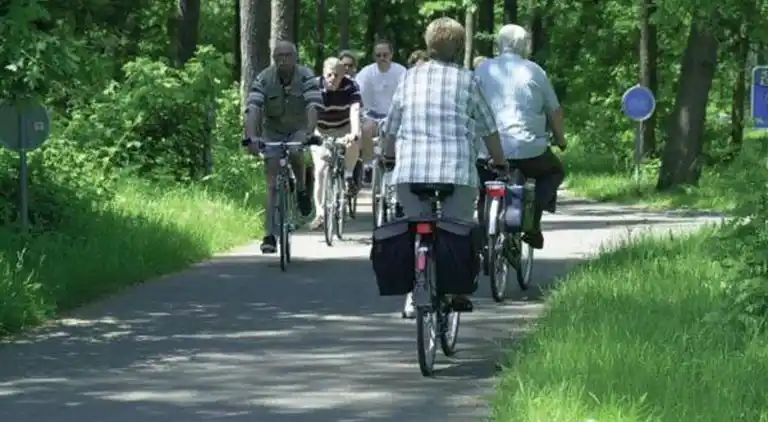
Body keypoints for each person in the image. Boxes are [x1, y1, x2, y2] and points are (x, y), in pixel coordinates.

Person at [381, 17, 508, 318]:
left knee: (415, 224)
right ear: (458, 47)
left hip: (410, 171)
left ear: (428, 45)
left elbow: (392, 124)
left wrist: (388, 156)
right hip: (456, 172)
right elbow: (488, 127)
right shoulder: (467, 79)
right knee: (459, 227)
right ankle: (459, 291)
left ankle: (414, 291)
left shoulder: (409, 77)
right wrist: (500, 162)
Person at [473, 24, 567, 250]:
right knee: (554, 171)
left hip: (486, 148)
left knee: (484, 183)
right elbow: (554, 110)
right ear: (524, 45)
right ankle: (533, 219)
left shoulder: (482, 70)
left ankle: (484, 233)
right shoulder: (534, 71)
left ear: (499, 44)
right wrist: (560, 139)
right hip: (528, 150)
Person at [244, 40, 322, 254]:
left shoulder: (306, 76)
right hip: (273, 131)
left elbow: (313, 105)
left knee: (296, 152)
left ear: (295, 58)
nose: (283, 60)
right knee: (271, 184)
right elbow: (253, 109)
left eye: (288, 55)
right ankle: (269, 235)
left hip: (298, 128)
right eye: (279, 56)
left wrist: (309, 132)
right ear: (274, 59)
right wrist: (251, 137)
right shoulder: (264, 78)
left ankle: (302, 190)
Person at [309, 57, 363, 230]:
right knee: (320, 170)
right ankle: (319, 213)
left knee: (355, 140)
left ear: (343, 75)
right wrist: (310, 134)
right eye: (329, 75)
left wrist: (354, 132)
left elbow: (354, 109)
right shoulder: (314, 86)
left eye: (337, 75)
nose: (332, 78)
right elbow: (309, 111)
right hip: (321, 129)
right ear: (323, 74)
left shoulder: (351, 85)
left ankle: (348, 175)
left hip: (344, 126)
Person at [355, 39, 407, 183]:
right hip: (372, 114)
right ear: (374, 56)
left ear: (391, 55)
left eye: (385, 55)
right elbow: (358, 94)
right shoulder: (366, 72)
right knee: (365, 129)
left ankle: (395, 165)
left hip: (393, 115)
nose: (382, 58)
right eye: (378, 55)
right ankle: (368, 166)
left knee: (395, 135)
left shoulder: (401, 71)